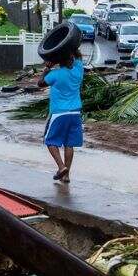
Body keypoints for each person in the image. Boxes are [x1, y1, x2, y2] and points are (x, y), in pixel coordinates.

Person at [37, 49, 84, 183]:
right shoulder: (78, 71)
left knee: (50, 141)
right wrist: (70, 46)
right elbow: (78, 55)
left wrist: (47, 68)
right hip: (75, 113)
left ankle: (61, 167)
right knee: (69, 144)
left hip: (59, 113)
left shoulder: (55, 75)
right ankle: (66, 175)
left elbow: (40, 83)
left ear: (59, 62)